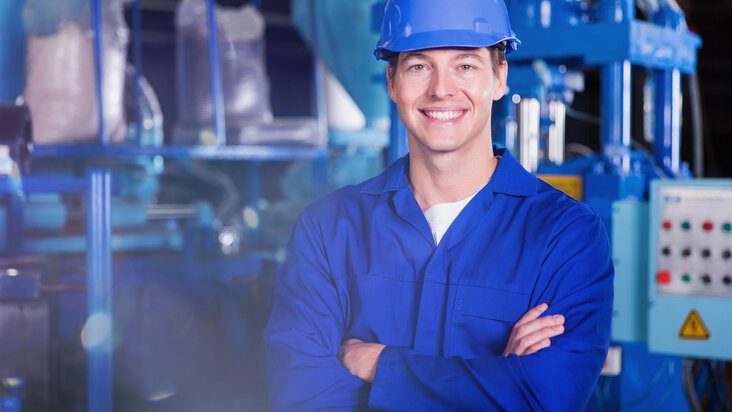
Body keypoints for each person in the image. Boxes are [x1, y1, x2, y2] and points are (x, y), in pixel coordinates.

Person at [264, 0, 614, 410]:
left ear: (499, 77)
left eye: (465, 65)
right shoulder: (328, 228)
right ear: (392, 81)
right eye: (419, 66)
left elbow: (543, 396)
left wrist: (380, 365)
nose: (442, 89)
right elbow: (301, 396)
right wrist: (494, 378)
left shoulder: (566, 236)